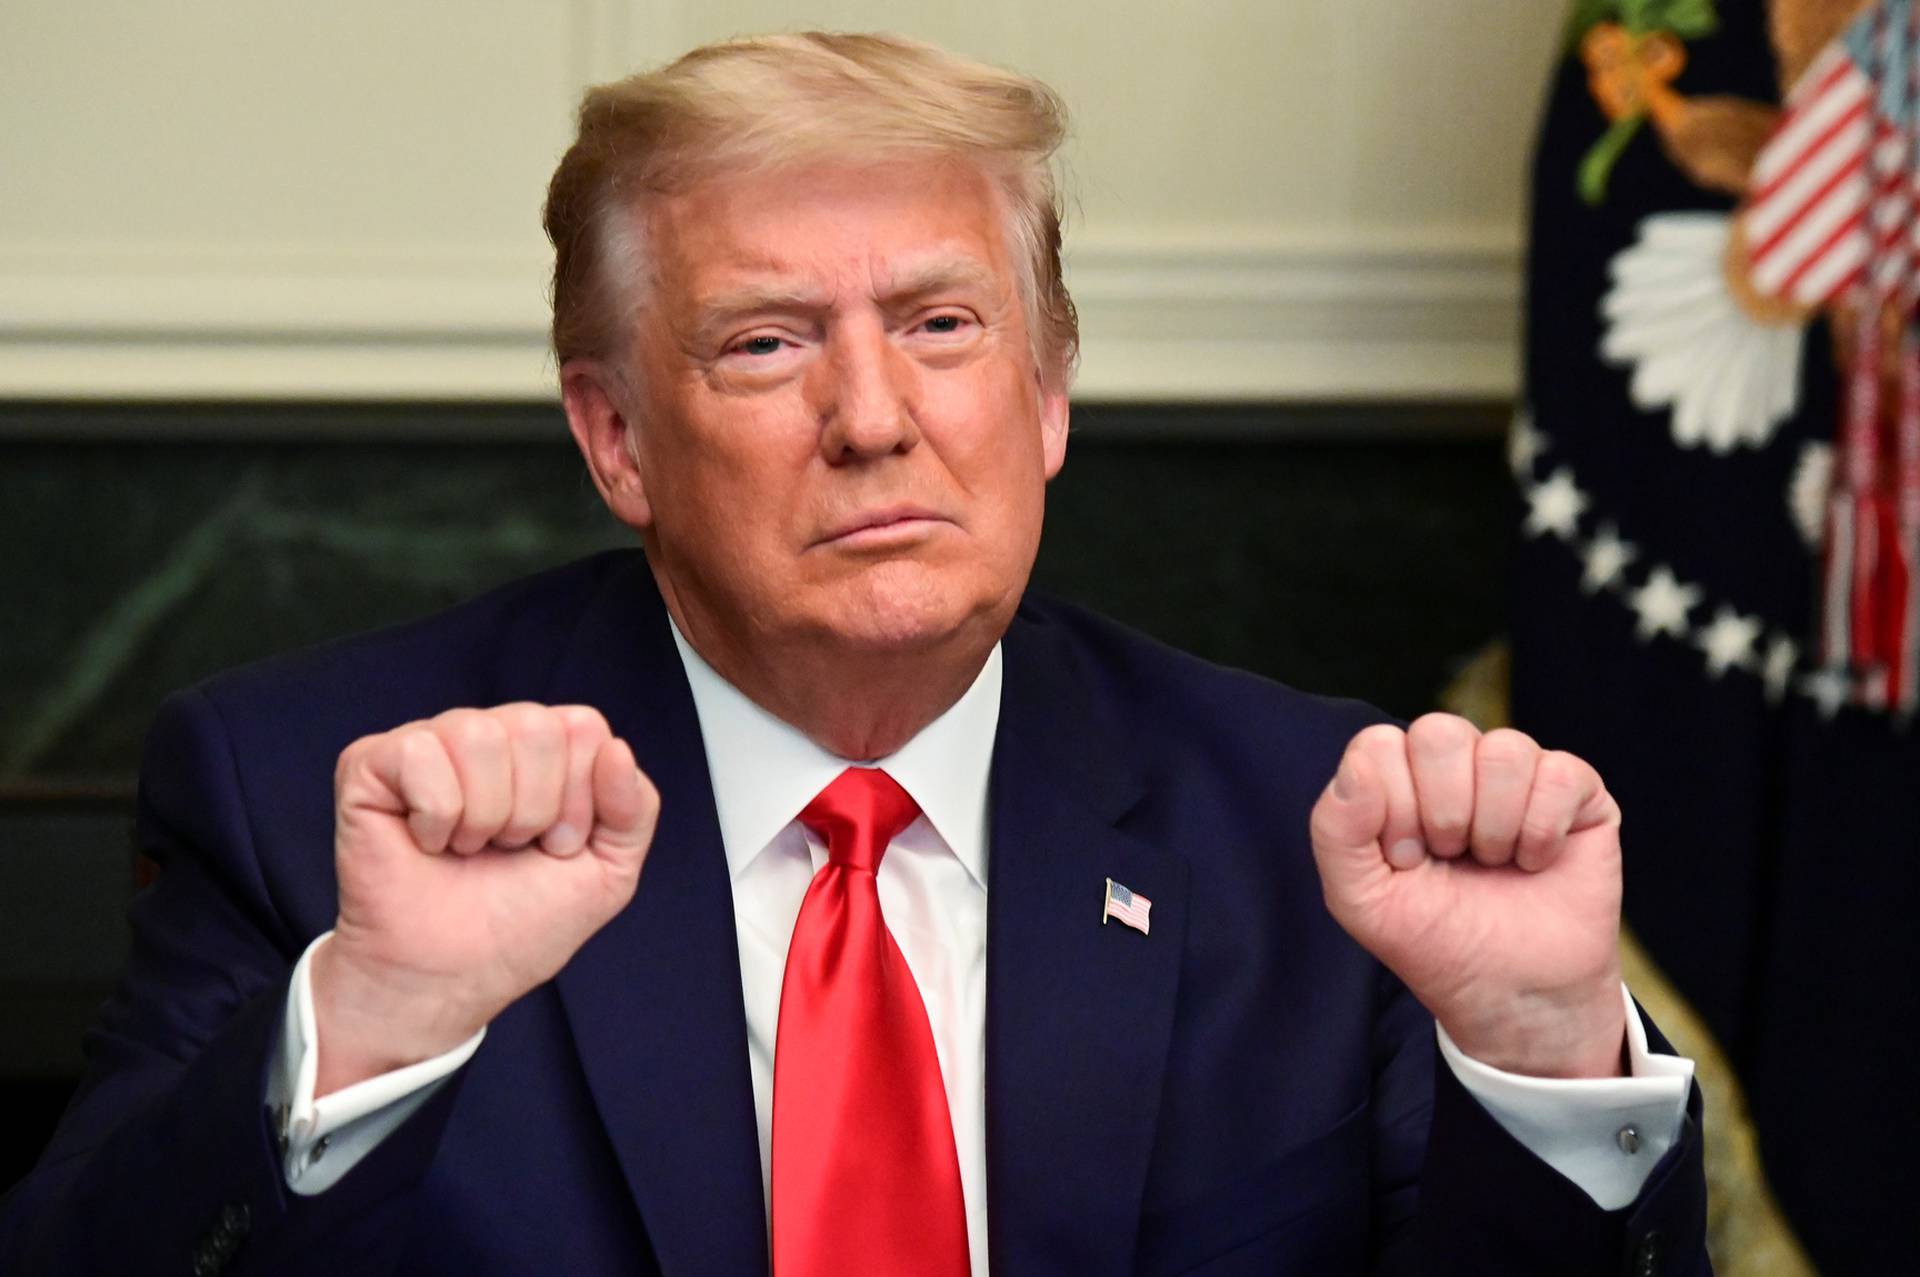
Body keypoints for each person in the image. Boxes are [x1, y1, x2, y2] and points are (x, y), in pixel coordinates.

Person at [0, 32, 1707, 1277]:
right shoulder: (310, 797)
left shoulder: (1315, 830)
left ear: (1047, 396)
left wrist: (1548, 1056)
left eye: (944, 326)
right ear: (616, 439)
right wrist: (373, 1024)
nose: (874, 418)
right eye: (764, 343)